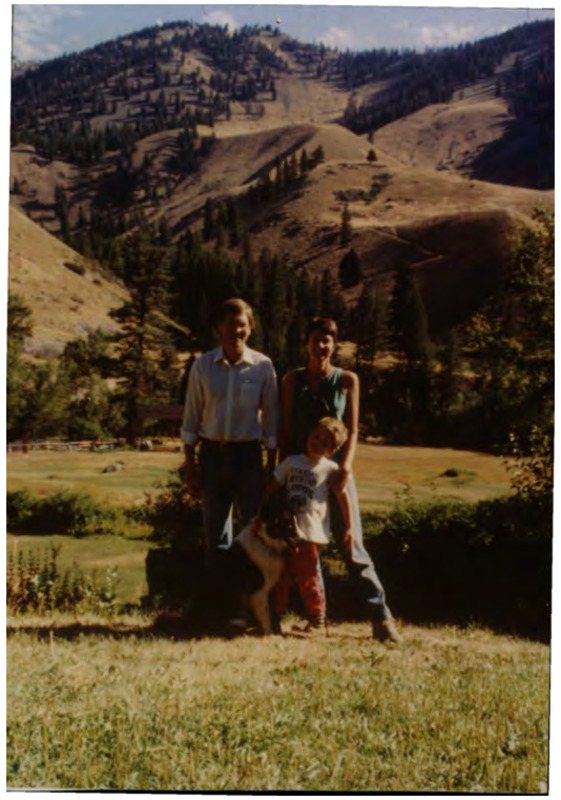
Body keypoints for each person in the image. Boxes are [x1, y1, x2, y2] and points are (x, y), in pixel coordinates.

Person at [279, 316, 402, 643]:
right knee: (307, 547)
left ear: (335, 345)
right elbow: (287, 433)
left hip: (335, 476)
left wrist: (346, 467)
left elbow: (354, 428)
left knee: (352, 543)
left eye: (327, 340)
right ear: (307, 342)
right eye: (316, 339)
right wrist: (281, 480)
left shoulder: (347, 380)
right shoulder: (292, 380)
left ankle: (381, 617)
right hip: (303, 476)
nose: (321, 346)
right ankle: (316, 618)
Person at [181, 298, 278, 574]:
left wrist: (271, 465)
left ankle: (251, 606)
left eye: (242, 325)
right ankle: (220, 606)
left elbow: (271, 419)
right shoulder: (203, 366)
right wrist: (190, 464)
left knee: (253, 534)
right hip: (212, 455)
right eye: (230, 324)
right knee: (216, 536)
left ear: (251, 328)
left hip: (248, 457)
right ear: (218, 327)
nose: (237, 331)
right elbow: (191, 418)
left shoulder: (262, 367)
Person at [260, 417, 352, 632]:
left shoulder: (330, 468)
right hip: (286, 531)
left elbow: (342, 496)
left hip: (310, 533)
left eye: (324, 443)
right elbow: (272, 487)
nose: (316, 442)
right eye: (316, 435)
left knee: (308, 577)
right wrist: (261, 512)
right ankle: (275, 616)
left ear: (331, 451)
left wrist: (349, 526)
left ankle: (317, 617)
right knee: (280, 575)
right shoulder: (292, 462)